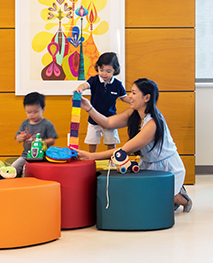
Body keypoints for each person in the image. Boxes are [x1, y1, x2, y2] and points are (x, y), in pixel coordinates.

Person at [76, 78, 192, 213]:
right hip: (148, 163)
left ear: (146, 97)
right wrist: (88, 107)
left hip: (169, 166)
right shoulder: (134, 113)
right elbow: (107, 123)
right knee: (148, 203)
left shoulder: (152, 124)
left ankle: (182, 198)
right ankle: (167, 196)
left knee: (168, 200)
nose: (129, 96)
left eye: (134, 93)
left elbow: (124, 150)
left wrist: (92, 156)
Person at [75, 52, 130, 153]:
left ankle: (111, 161)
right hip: (94, 118)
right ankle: (91, 158)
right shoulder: (94, 80)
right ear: (98, 68)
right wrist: (80, 88)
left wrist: (134, 100)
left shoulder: (117, 84)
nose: (104, 74)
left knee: (111, 142)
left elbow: (124, 98)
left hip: (110, 119)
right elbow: (85, 85)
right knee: (92, 141)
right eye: (101, 70)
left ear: (115, 70)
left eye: (108, 71)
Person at [12, 92, 58, 177]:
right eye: (29, 112)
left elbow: (52, 140)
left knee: (27, 171)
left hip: (42, 156)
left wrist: (41, 142)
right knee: (13, 168)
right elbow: (17, 138)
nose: (32, 115)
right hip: (26, 155)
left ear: (43, 109)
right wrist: (20, 137)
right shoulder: (25, 123)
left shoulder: (47, 124)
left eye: (35, 112)